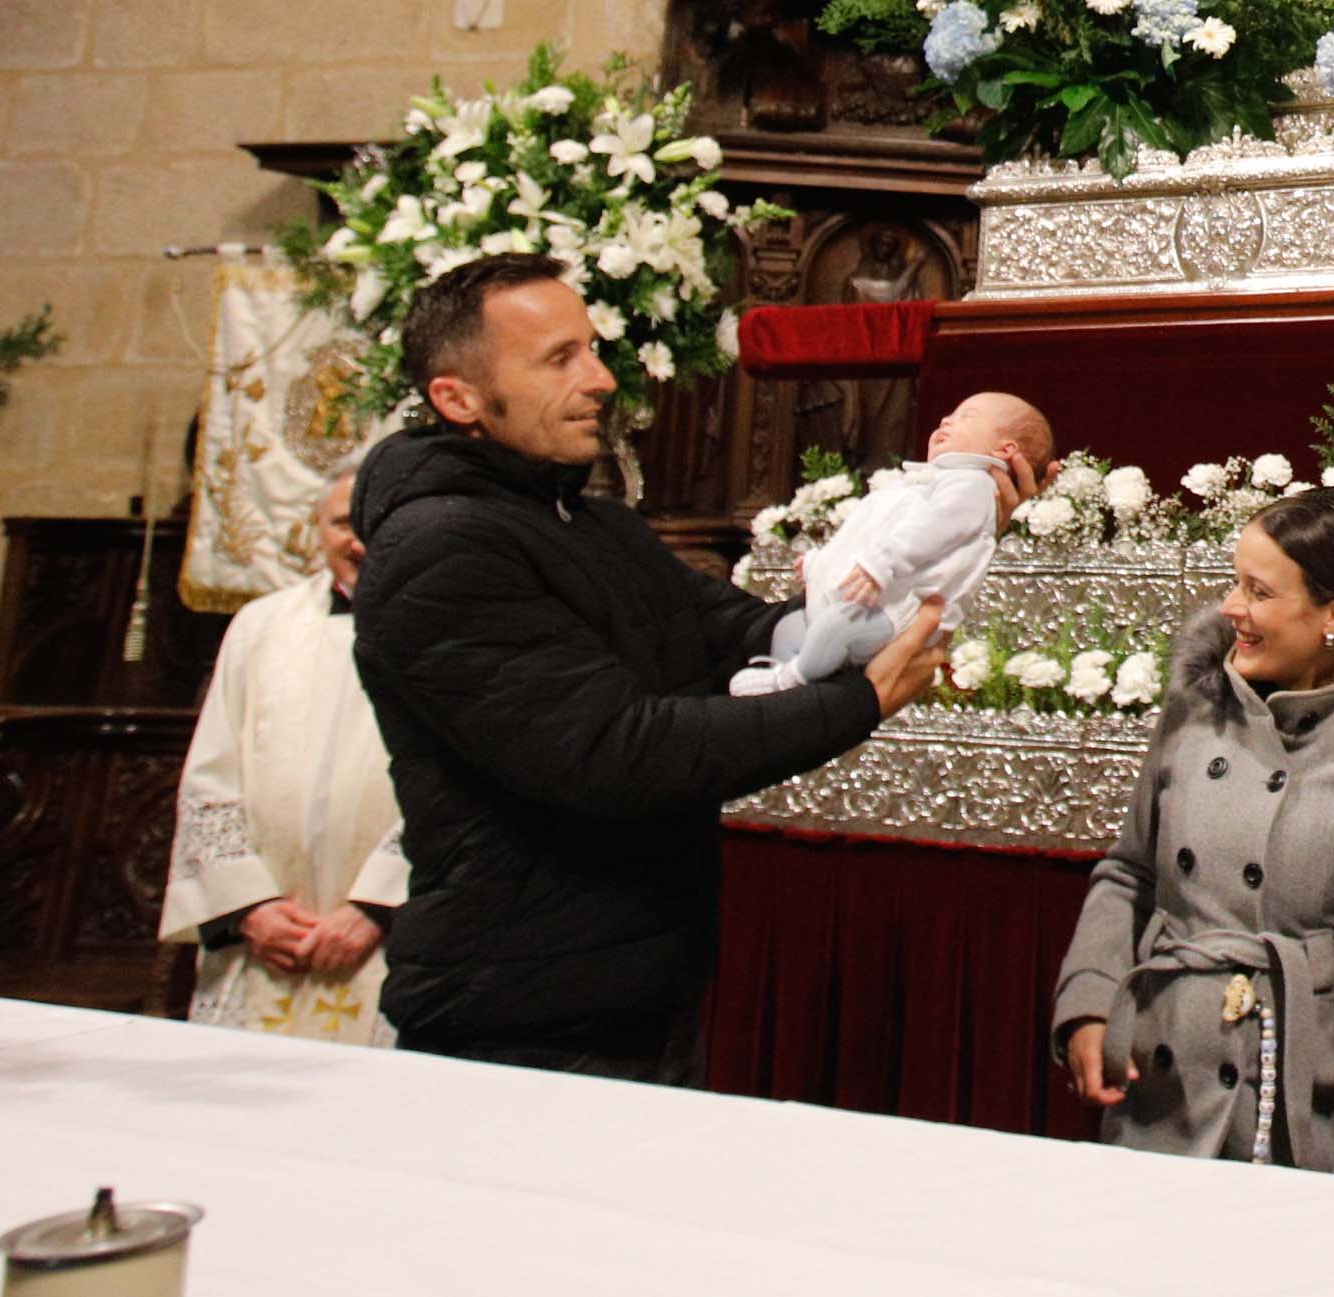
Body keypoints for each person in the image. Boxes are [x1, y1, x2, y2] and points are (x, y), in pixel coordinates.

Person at [349, 253, 974, 1082]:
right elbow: (617, 751)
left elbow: (740, 633)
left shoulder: (594, 527)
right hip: (518, 1009)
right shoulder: (441, 551)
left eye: (593, 348)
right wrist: (858, 697)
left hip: (631, 984)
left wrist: (894, 571)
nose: (602, 379)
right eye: (559, 358)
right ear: (456, 398)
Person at [1051, 487, 1334, 1168]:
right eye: (1235, 581)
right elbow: (1129, 868)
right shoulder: (1196, 703)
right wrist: (1088, 999)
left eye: (1257, 590)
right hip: (1161, 1087)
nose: (1231, 608)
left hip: (1311, 1102)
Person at [157, 451, 405, 1044]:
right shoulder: (260, 627)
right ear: (316, 527)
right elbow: (210, 782)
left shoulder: (452, 629)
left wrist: (376, 908)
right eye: (345, 522)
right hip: (262, 947)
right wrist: (252, 908)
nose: (360, 541)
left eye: (378, 521)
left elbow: (459, 788)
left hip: (388, 949)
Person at [729, 390, 1052, 696]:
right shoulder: (918, 486)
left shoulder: (971, 484)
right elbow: (865, 534)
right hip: (858, 597)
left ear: (1004, 450)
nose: (946, 421)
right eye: (950, 414)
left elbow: (928, 533)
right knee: (790, 627)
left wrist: (881, 565)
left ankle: (793, 679)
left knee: (834, 627)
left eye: (966, 416)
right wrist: (819, 563)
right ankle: (787, 682)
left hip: (893, 606)